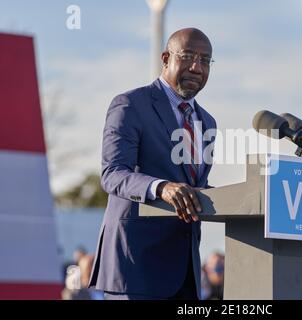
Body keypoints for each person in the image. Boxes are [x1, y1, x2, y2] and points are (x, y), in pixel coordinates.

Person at [88, 28, 217, 300]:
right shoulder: (131, 104)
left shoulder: (207, 122)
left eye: (205, 60)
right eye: (188, 56)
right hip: (136, 267)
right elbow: (112, 173)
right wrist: (162, 188)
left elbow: (195, 187)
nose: (197, 67)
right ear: (166, 58)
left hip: (185, 273)